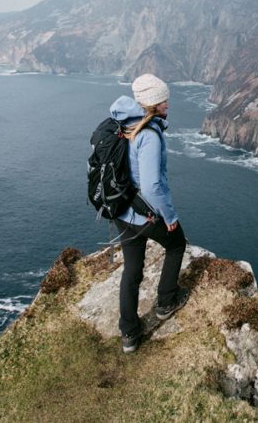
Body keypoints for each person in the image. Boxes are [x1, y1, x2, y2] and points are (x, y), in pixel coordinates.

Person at [109, 73, 188, 353]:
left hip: (122, 211)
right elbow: (153, 185)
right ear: (154, 103)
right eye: (164, 99)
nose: (168, 103)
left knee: (132, 269)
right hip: (146, 215)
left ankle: (129, 334)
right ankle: (166, 302)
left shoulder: (123, 123)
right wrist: (169, 217)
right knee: (177, 245)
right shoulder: (149, 134)